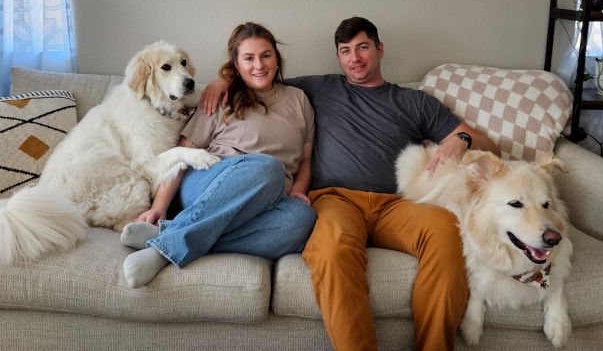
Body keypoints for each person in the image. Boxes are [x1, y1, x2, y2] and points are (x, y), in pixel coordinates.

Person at [200, 17, 501, 351]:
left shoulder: (415, 101)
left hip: (397, 205)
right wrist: (224, 79)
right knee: (332, 251)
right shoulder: (318, 89)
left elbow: (491, 147)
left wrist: (462, 138)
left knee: (447, 231)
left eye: (362, 47)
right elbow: (259, 77)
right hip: (335, 199)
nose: (354, 58)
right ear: (338, 57)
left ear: (379, 49)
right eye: (345, 51)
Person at [120, 22, 317, 289]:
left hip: (269, 197)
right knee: (269, 167)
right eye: (249, 58)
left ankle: (167, 234)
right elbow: (185, 152)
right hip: (210, 180)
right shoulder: (221, 96)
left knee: (301, 220)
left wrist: (299, 189)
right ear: (236, 64)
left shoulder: (299, 99)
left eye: (266, 55)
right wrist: (159, 206)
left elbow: (305, 160)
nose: (259, 65)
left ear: (276, 58)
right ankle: (164, 250)